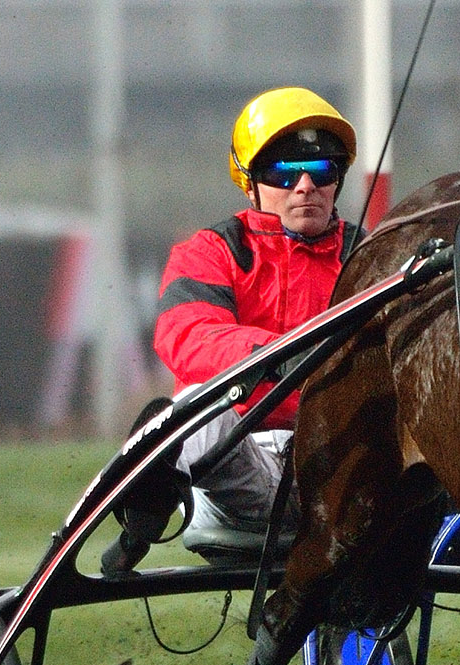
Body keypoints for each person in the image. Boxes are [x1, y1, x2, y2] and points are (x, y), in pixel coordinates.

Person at [105, 88, 362, 574]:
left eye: (322, 170)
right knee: (194, 407)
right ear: (250, 184)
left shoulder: (373, 256)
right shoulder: (210, 251)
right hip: (244, 464)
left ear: (338, 181)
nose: (305, 186)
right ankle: (147, 507)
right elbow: (187, 336)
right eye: (284, 173)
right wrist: (284, 356)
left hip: (349, 465)